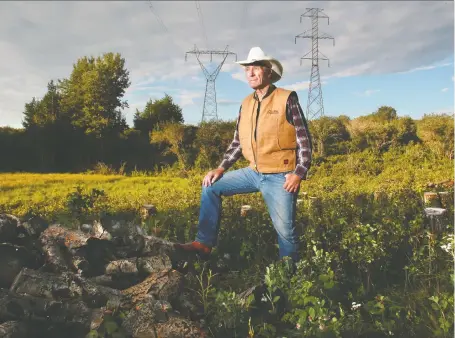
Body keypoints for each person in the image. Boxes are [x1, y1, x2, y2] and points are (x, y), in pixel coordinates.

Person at [175, 47, 312, 263]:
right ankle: (203, 243)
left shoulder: (286, 98)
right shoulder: (246, 103)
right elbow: (238, 142)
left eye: (255, 68)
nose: (250, 73)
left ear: (268, 71)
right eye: (247, 69)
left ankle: (289, 279)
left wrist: (298, 173)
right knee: (211, 186)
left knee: (286, 233)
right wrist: (221, 168)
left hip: (281, 176)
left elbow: (304, 140)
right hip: (253, 172)